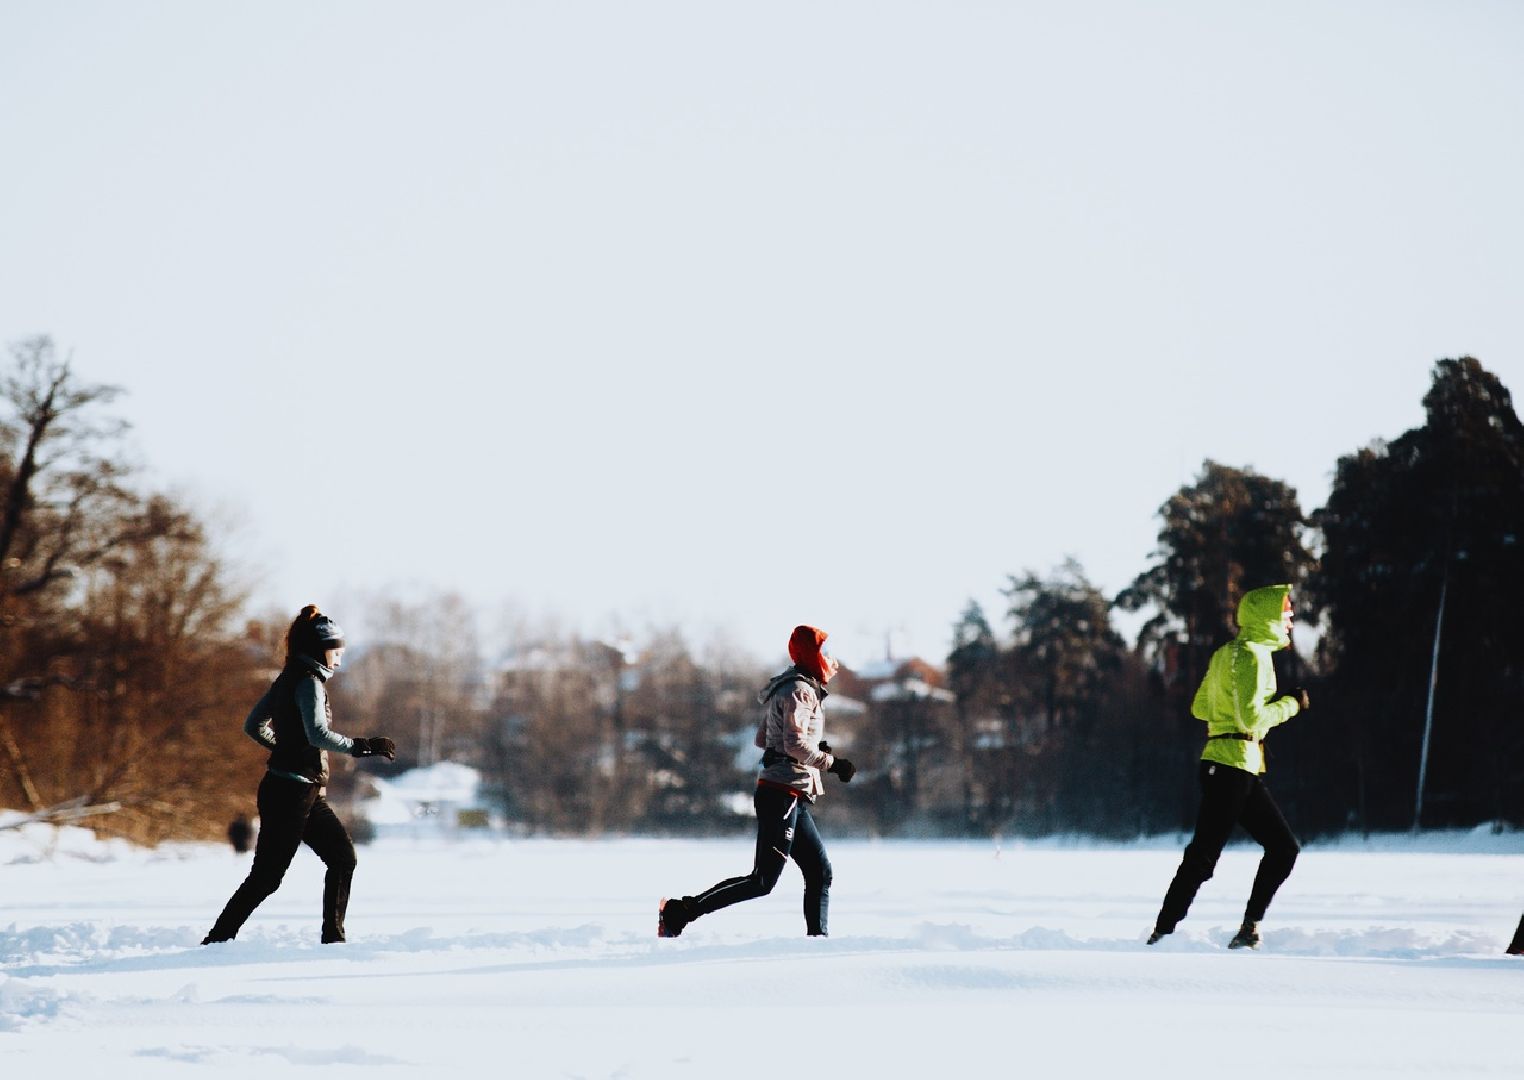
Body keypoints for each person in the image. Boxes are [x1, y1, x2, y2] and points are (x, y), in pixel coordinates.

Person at [203, 605, 396, 945]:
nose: (339, 658)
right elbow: (318, 735)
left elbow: (254, 726)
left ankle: (333, 940)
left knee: (342, 858)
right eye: (336, 651)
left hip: (300, 792)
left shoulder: (289, 677)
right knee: (266, 879)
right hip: (290, 794)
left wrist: (283, 746)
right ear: (320, 650)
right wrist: (363, 746)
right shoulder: (308, 683)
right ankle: (216, 942)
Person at [658, 624, 856, 939]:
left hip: (791, 794)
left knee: (819, 873)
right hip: (782, 793)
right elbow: (792, 745)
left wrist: (811, 749)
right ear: (812, 656)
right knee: (762, 881)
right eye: (826, 654)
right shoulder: (801, 691)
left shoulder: (789, 686)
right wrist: (831, 763)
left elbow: (763, 738)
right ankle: (680, 912)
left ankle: (818, 945)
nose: (834, 662)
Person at [1148, 584, 1309, 950]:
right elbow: (1251, 718)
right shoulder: (1253, 656)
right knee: (1204, 857)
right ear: (1267, 616)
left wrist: (1225, 716)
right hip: (1233, 766)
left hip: (1229, 764)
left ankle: (1247, 929)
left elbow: (1200, 708)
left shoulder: (1225, 654)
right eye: (1286, 611)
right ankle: (1162, 936)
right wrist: (1291, 705)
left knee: (1283, 848)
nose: (1291, 618)